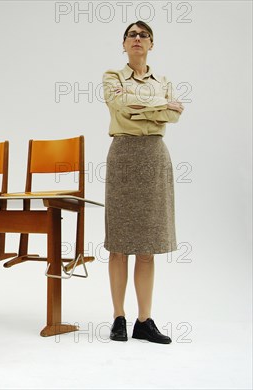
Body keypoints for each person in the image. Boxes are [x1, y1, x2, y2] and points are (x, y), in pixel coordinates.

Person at [102, 21, 184, 344]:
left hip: (154, 158)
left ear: (152, 44)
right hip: (123, 156)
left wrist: (143, 108)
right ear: (123, 44)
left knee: (148, 246)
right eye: (131, 35)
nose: (137, 39)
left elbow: (175, 116)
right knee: (119, 242)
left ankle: (144, 321)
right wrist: (161, 107)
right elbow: (120, 106)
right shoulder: (112, 77)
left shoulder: (163, 80)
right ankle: (118, 318)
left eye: (143, 35)